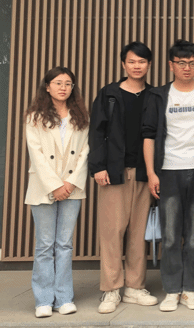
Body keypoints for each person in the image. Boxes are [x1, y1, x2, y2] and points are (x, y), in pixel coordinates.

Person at [142, 39, 194, 312]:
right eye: (182, 63)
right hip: (169, 172)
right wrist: (151, 173)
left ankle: (190, 289)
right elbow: (149, 136)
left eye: (192, 63)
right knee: (171, 235)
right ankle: (172, 290)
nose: (188, 68)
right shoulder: (159, 95)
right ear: (171, 65)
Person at [89, 41, 158, 313]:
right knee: (112, 232)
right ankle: (111, 289)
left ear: (149, 65)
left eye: (141, 61)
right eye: (132, 61)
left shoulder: (154, 95)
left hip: (143, 172)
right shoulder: (109, 94)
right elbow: (96, 131)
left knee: (138, 233)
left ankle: (134, 287)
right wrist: (98, 166)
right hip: (113, 172)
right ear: (123, 64)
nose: (136, 66)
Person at [24, 67, 90, 318]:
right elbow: (36, 154)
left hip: (72, 187)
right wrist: (55, 186)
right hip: (43, 187)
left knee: (64, 244)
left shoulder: (80, 116)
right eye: (58, 83)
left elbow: (85, 151)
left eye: (68, 83)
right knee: (44, 245)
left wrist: (70, 183)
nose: (63, 87)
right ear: (47, 86)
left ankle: (63, 298)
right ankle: (43, 299)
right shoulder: (34, 117)